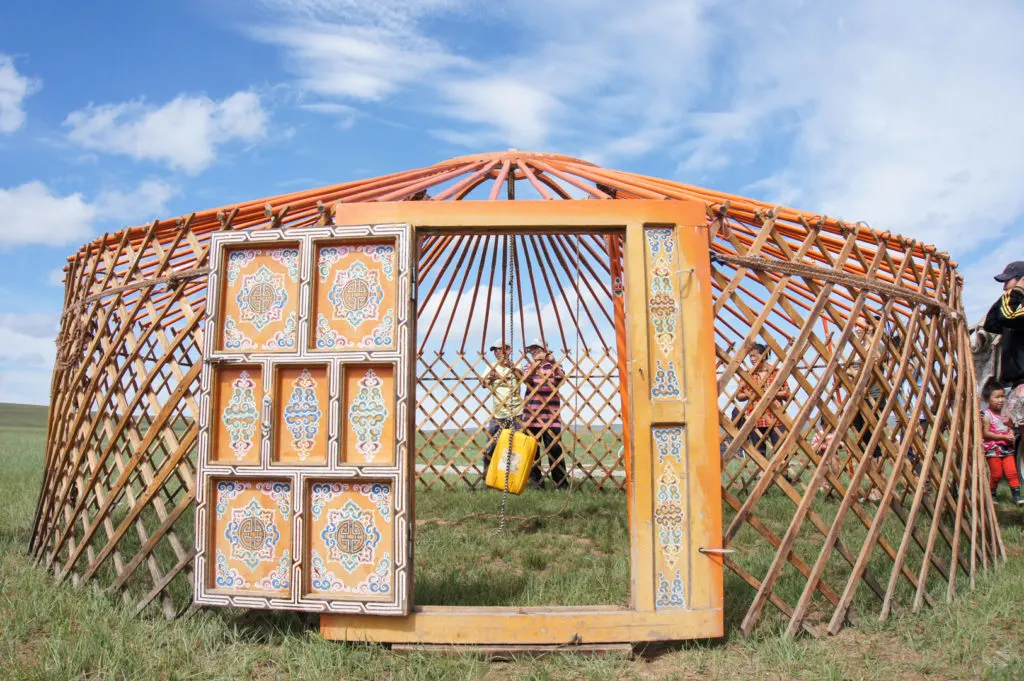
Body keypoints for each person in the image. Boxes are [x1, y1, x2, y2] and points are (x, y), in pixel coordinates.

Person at [983, 261, 1024, 463]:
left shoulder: (1016, 310)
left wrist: (1016, 292)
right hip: (1017, 382)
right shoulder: (1012, 306)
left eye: (1007, 281)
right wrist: (1011, 294)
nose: (1004, 286)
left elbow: (1007, 316)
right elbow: (990, 322)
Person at [521, 339, 569, 489]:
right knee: (532, 452)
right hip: (531, 416)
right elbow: (526, 379)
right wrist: (536, 364)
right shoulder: (528, 365)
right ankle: (537, 485)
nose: (533, 351)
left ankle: (561, 485)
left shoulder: (554, 365)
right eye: (531, 349)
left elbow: (562, 379)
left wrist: (553, 363)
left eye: (536, 348)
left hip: (551, 416)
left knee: (555, 450)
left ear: (544, 349)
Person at [735, 343, 790, 457]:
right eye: (750, 356)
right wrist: (751, 394)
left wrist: (771, 393)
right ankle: (762, 474)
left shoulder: (775, 372)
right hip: (756, 419)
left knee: (781, 452)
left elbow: (786, 393)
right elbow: (738, 396)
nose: (752, 359)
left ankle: (783, 475)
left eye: (754, 356)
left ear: (763, 355)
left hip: (776, 418)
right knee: (759, 453)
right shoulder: (748, 375)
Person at [479, 339, 524, 476]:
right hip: (498, 414)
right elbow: (483, 383)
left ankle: (512, 479)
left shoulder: (517, 365)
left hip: (516, 413)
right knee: (490, 447)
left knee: (516, 449)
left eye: (500, 349)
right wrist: (491, 378)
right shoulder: (491, 366)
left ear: (509, 350)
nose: (497, 353)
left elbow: (522, 378)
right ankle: (487, 478)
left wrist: (512, 367)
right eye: (495, 350)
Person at [981, 381, 1023, 506]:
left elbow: (1010, 427)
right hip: (994, 449)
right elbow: (985, 433)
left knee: (1012, 472)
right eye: (997, 397)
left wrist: (1011, 434)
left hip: (1007, 449)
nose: (1001, 400)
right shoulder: (987, 415)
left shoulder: (1005, 414)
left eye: (1003, 396)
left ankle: (1016, 496)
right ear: (988, 399)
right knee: (997, 474)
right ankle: (992, 494)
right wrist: (1002, 437)